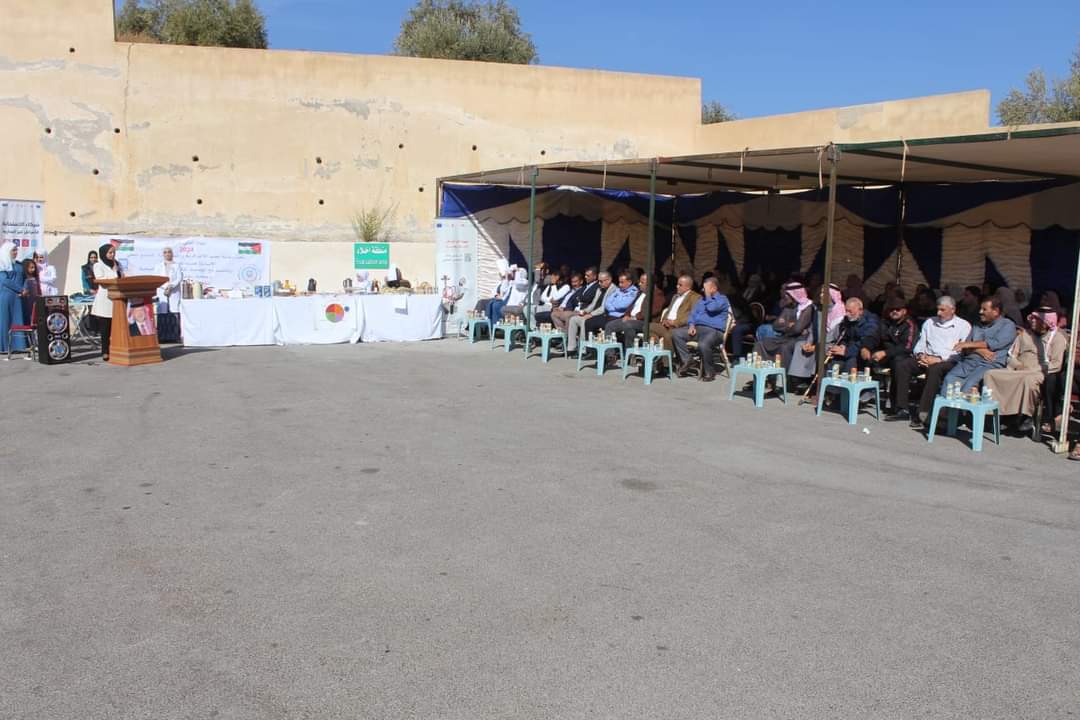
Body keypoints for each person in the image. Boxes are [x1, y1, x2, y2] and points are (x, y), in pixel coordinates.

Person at [886, 296, 972, 426]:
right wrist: (921, 355)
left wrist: (939, 359)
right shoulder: (930, 322)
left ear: (953, 310)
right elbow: (921, 343)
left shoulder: (963, 326)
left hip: (949, 360)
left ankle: (923, 413)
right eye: (938, 309)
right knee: (903, 365)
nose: (939, 313)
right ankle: (902, 409)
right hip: (927, 357)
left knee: (934, 370)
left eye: (942, 310)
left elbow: (961, 351)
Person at [983, 307, 1067, 435]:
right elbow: (1011, 355)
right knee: (990, 375)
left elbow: (1056, 364)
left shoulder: (1057, 338)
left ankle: (1025, 416)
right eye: (1032, 318)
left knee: (1028, 380)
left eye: (1036, 319)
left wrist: (1034, 369)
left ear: (1046, 323)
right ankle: (994, 413)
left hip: (1038, 372)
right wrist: (1017, 365)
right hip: (1018, 368)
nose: (1032, 321)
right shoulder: (1024, 335)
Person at [940, 295, 1018, 396]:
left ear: (995, 311)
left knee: (969, 385)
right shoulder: (977, 325)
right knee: (949, 379)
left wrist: (969, 345)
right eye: (980, 309)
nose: (980, 312)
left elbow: (995, 343)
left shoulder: (1007, 325)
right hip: (970, 362)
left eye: (984, 309)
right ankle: (946, 406)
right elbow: (964, 348)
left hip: (989, 364)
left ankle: (963, 406)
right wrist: (979, 350)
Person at [672, 277, 731, 382]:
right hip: (698, 329)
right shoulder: (701, 301)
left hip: (714, 331)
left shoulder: (722, 299)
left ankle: (709, 372)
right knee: (676, 333)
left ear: (714, 288)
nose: (703, 290)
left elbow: (711, 308)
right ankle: (688, 360)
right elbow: (692, 315)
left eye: (706, 288)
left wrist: (708, 295)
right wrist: (691, 325)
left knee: (703, 344)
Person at [869, 296, 918, 411]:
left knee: (898, 363)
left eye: (898, 309)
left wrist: (885, 353)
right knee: (865, 356)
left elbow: (907, 347)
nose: (894, 311)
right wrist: (866, 347)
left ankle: (896, 405)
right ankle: (866, 392)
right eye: (891, 309)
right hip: (885, 355)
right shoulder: (884, 322)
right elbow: (874, 337)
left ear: (904, 311)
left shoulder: (909, 324)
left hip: (902, 355)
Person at [754, 281, 816, 369]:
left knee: (784, 347)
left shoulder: (809, 307)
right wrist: (789, 325)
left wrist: (788, 325)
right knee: (761, 344)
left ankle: (783, 374)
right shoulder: (790, 307)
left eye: (788, 294)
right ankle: (763, 371)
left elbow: (797, 329)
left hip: (802, 339)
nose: (785, 296)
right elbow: (776, 325)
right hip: (786, 337)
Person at [825, 297, 879, 375]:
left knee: (851, 362)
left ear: (860, 311)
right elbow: (845, 336)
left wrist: (846, 351)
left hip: (862, 353)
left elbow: (866, 341)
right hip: (849, 350)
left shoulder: (871, 322)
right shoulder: (847, 320)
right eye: (846, 311)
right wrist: (842, 345)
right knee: (833, 361)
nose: (847, 314)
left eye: (850, 311)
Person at [647, 274, 700, 351]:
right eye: (677, 284)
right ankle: (658, 351)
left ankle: (667, 357)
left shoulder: (695, 297)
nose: (677, 286)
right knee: (648, 327)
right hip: (666, 325)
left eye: (680, 285)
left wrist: (675, 322)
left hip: (679, 326)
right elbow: (668, 310)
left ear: (688, 287)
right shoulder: (675, 296)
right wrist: (665, 320)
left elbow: (693, 315)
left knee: (668, 335)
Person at [566, 270, 613, 355]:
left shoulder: (613, 290)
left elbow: (603, 308)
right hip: (593, 313)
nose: (599, 283)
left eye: (601, 281)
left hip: (603, 315)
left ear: (608, 280)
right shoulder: (600, 289)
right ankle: (571, 348)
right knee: (573, 319)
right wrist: (585, 311)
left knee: (585, 321)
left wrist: (591, 314)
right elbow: (593, 304)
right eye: (599, 281)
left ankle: (583, 350)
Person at [605, 272, 654, 352]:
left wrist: (634, 317)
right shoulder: (640, 293)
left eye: (642, 282)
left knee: (628, 325)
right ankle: (610, 355)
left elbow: (651, 312)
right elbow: (630, 307)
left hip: (643, 321)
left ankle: (630, 353)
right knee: (610, 325)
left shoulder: (654, 294)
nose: (639, 284)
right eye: (639, 282)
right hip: (630, 319)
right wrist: (627, 315)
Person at [92, 243, 122, 361]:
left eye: (114, 252)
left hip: (117, 299)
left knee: (117, 327)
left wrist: (119, 273)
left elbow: (122, 277)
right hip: (105, 300)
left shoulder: (117, 264)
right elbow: (101, 280)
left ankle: (116, 350)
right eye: (110, 252)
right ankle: (105, 351)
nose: (112, 255)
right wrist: (114, 272)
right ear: (104, 253)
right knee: (105, 328)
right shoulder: (98, 265)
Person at [0, 241, 28, 354]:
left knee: (18, 320)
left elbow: (25, 279)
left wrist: (24, 289)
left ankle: (19, 346)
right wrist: (20, 289)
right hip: (7, 297)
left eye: (16, 250)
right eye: (13, 250)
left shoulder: (19, 265)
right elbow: (5, 281)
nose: (16, 252)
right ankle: (5, 347)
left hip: (19, 297)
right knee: (6, 321)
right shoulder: (2, 264)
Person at [154, 246, 184, 343]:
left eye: (169, 252)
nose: (167, 254)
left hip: (173, 291)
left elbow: (179, 278)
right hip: (162, 291)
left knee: (174, 311)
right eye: (165, 252)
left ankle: (174, 336)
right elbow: (156, 278)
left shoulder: (177, 265)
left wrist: (171, 286)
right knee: (162, 312)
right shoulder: (158, 266)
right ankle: (162, 337)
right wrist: (165, 287)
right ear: (163, 254)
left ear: (172, 254)